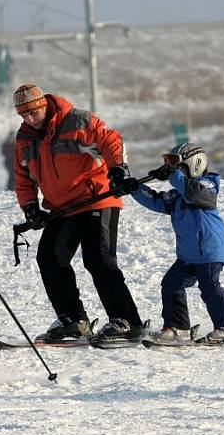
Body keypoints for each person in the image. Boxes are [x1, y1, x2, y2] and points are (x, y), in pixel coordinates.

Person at [11, 84, 143, 342]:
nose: (28, 119)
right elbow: (23, 177)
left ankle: (126, 320)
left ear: (44, 105)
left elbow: (111, 139)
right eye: (23, 115)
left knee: (98, 259)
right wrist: (29, 206)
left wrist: (117, 169)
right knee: (50, 257)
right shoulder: (25, 138)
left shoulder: (77, 121)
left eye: (33, 113)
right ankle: (72, 319)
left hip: (96, 200)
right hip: (62, 207)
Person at [128, 143, 224, 343]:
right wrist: (135, 189)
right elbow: (156, 201)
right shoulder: (178, 195)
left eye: (176, 164)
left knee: (209, 287)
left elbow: (196, 194)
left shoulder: (208, 184)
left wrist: (174, 176)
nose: (173, 169)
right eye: (170, 164)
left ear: (194, 163)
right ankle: (177, 328)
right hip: (188, 254)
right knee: (171, 284)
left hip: (208, 250)